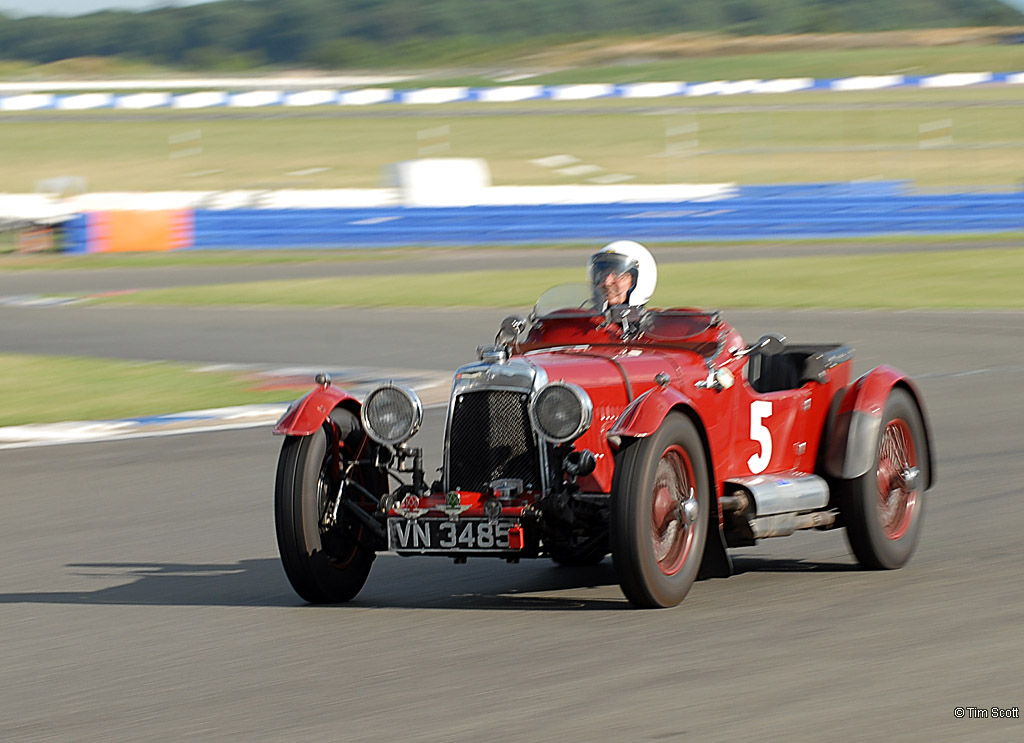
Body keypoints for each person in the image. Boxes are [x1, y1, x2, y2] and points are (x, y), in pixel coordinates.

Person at [587, 240, 658, 311]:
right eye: (603, 275)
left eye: (617, 275)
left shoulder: (656, 321)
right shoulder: (586, 319)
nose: (607, 282)